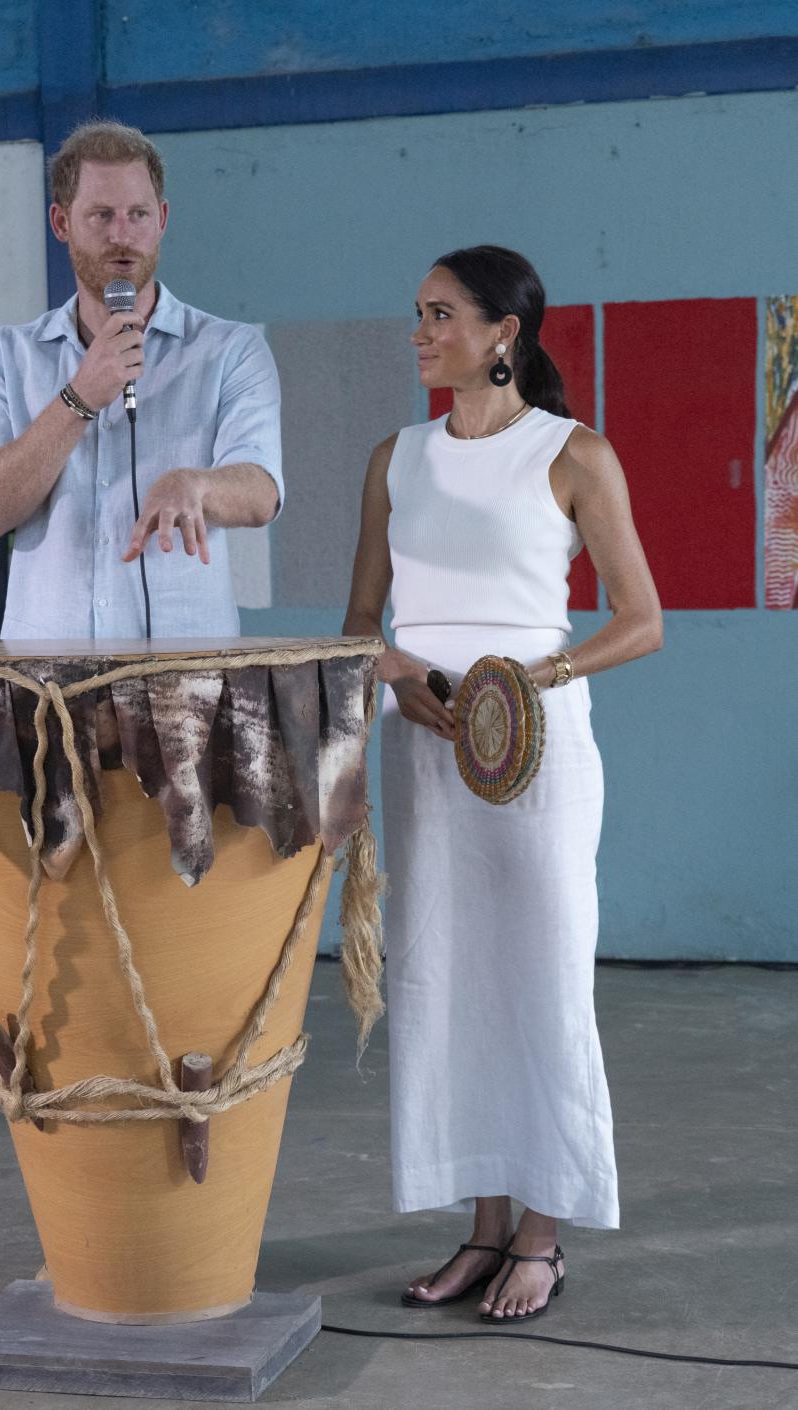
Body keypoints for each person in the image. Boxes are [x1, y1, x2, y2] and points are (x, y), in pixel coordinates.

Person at [343, 245, 662, 1322]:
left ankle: (542, 1232)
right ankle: (482, 1226)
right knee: (442, 984)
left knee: (540, 976)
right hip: (423, 745)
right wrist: (397, 671)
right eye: (418, 313)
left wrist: (527, 680)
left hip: (536, 750)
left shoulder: (572, 454)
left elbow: (640, 620)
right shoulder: (396, 457)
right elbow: (358, 629)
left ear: (501, 336)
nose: (421, 332)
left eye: (441, 315)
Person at [0, 120, 281, 638]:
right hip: (49, 687)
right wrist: (79, 396)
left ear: (163, 219)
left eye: (138, 214)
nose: (122, 236)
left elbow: (262, 492)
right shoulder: (6, 356)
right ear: (61, 222)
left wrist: (193, 483)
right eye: (101, 215)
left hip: (185, 677)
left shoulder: (230, 350)